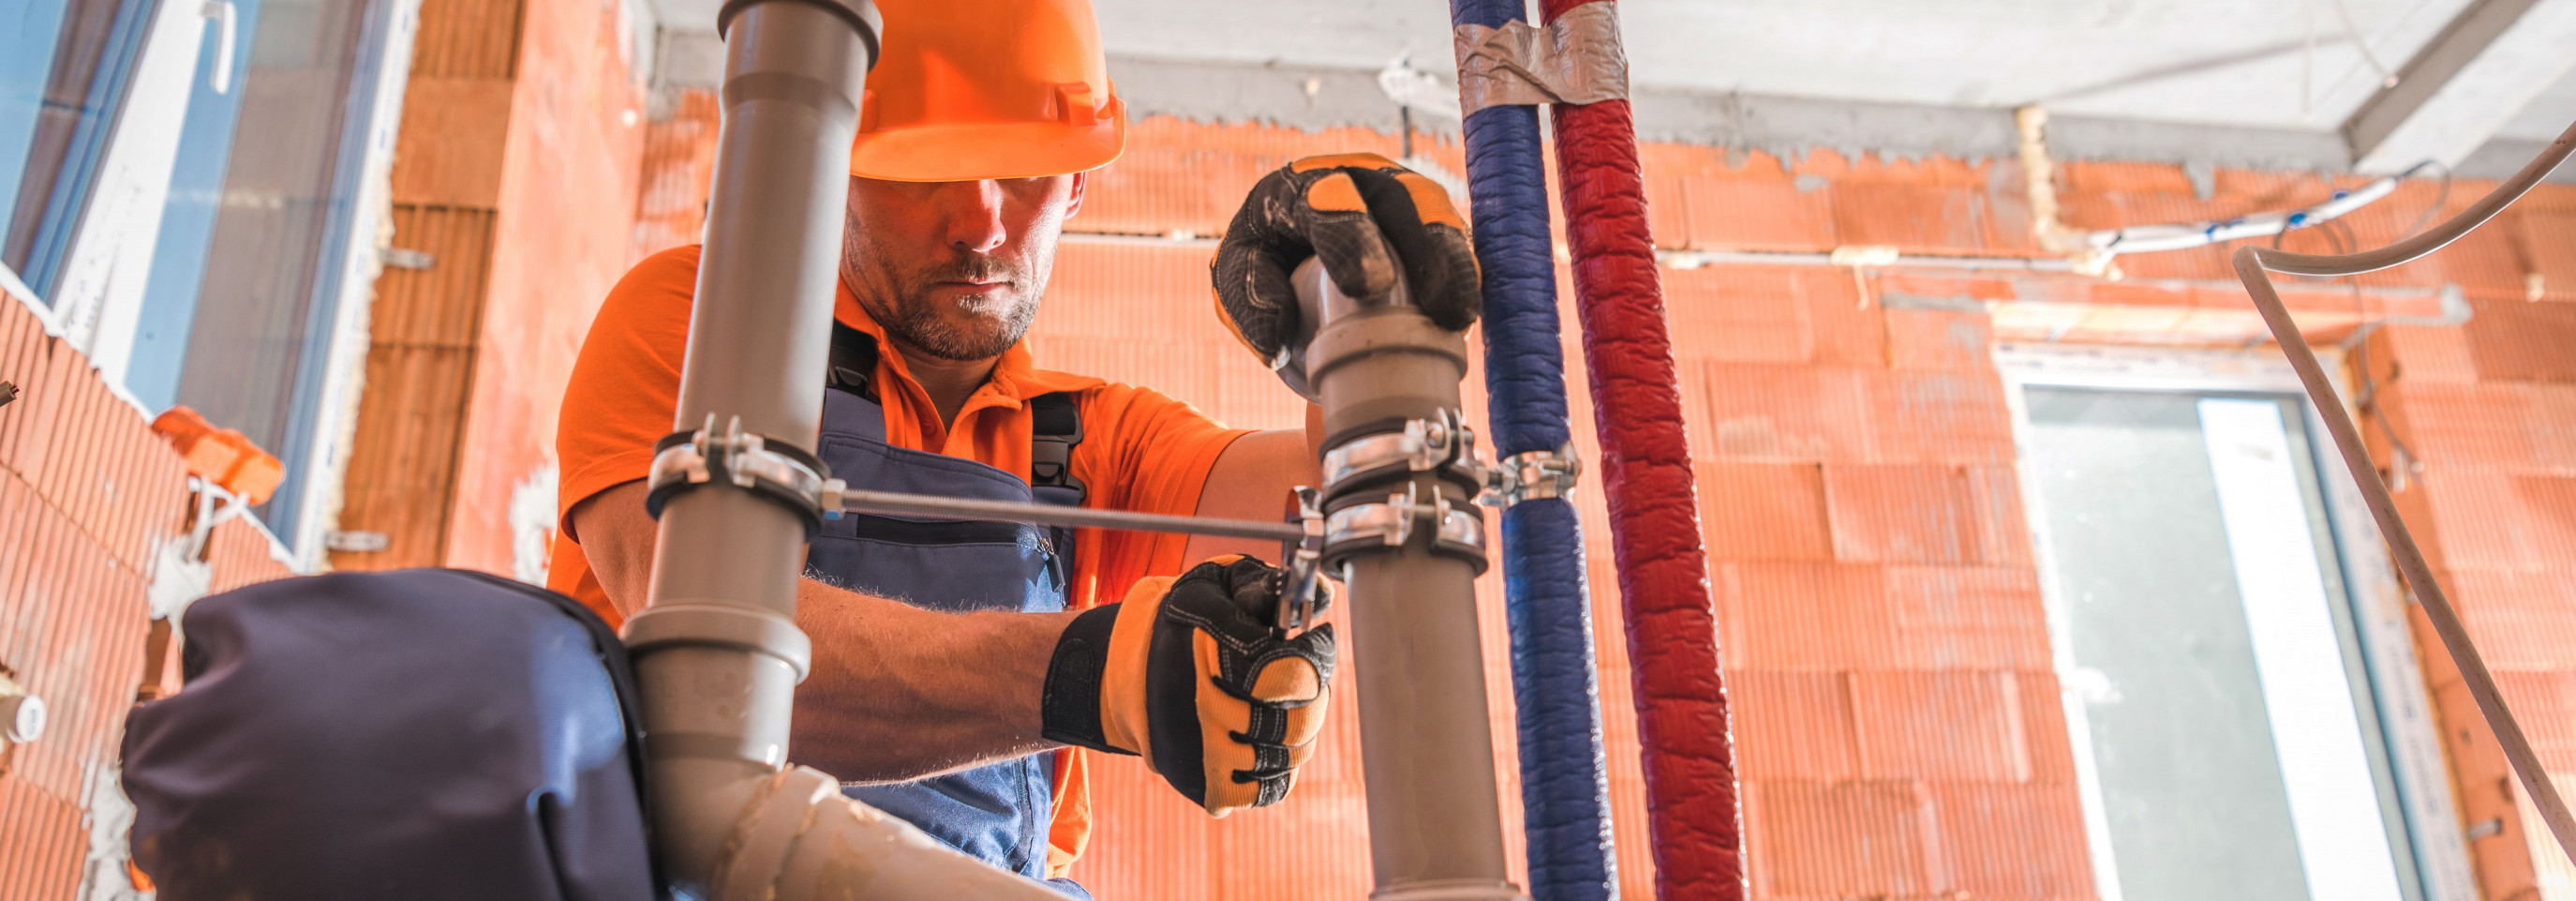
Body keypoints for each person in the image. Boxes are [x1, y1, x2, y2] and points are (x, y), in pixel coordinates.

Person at [542, 0, 1480, 893]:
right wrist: (1090, 674)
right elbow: (714, 676)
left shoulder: (1092, 442)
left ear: (1076, 185)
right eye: (927, 171)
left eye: (1024, 173)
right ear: (841, 166)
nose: (982, 227)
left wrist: (1356, 330)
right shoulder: (705, 326)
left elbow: (1349, 487)